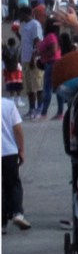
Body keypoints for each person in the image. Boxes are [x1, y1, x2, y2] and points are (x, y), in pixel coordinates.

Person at [2, 95, 30, 233]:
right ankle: (17, 213)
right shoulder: (8, 105)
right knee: (13, 184)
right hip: (9, 151)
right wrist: (22, 149)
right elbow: (17, 129)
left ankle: (2, 223)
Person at [17, 8, 42, 119]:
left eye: (20, 14)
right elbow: (24, 41)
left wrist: (33, 57)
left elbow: (37, 42)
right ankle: (31, 109)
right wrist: (16, 33)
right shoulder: (24, 26)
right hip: (25, 59)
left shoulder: (35, 24)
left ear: (25, 14)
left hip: (33, 59)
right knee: (28, 87)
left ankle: (40, 109)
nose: (19, 17)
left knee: (37, 85)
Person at [35, 25, 63, 119]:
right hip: (55, 63)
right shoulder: (52, 36)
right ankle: (59, 112)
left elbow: (53, 50)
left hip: (51, 63)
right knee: (57, 88)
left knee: (47, 89)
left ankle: (44, 113)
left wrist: (43, 55)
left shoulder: (51, 36)